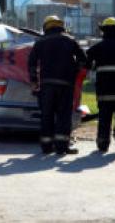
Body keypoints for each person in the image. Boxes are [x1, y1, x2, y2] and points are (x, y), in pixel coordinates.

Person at [28, 15, 87, 155]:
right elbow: (84, 60)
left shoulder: (40, 42)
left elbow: (31, 62)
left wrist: (34, 81)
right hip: (66, 85)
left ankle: (46, 147)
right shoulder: (70, 40)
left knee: (46, 115)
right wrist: (74, 71)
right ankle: (62, 147)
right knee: (64, 116)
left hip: (47, 85)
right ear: (61, 26)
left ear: (46, 28)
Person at [86, 17, 115, 152]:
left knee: (104, 117)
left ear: (103, 32)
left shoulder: (96, 48)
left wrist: (95, 65)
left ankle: (102, 143)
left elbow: (86, 63)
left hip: (104, 91)